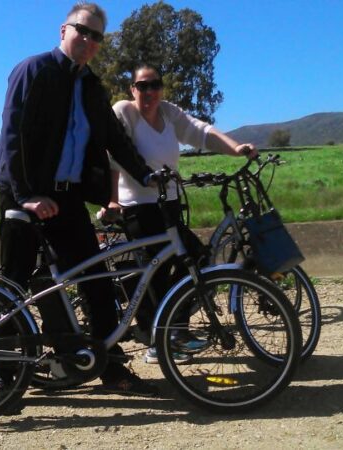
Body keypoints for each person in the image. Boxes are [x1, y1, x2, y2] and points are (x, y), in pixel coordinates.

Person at [0, 3, 157, 397]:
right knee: (13, 286)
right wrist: (27, 195)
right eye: (83, 30)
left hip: (67, 201)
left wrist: (146, 174)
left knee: (97, 283)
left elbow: (116, 138)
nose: (88, 40)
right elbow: (12, 134)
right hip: (24, 196)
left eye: (97, 36)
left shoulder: (91, 87)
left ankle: (111, 368)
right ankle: (2, 375)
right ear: (64, 30)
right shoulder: (33, 70)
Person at [101, 63, 258, 364]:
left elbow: (201, 132)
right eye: (142, 86)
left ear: (161, 88)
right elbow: (113, 157)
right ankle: (156, 341)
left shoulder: (168, 112)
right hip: (137, 206)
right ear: (132, 89)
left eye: (154, 85)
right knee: (156, 272)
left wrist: (236, 147)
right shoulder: (125, 111)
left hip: (168, 202)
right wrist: (111, 200)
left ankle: (175, 330)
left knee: (197, 258)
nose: (149, 91)